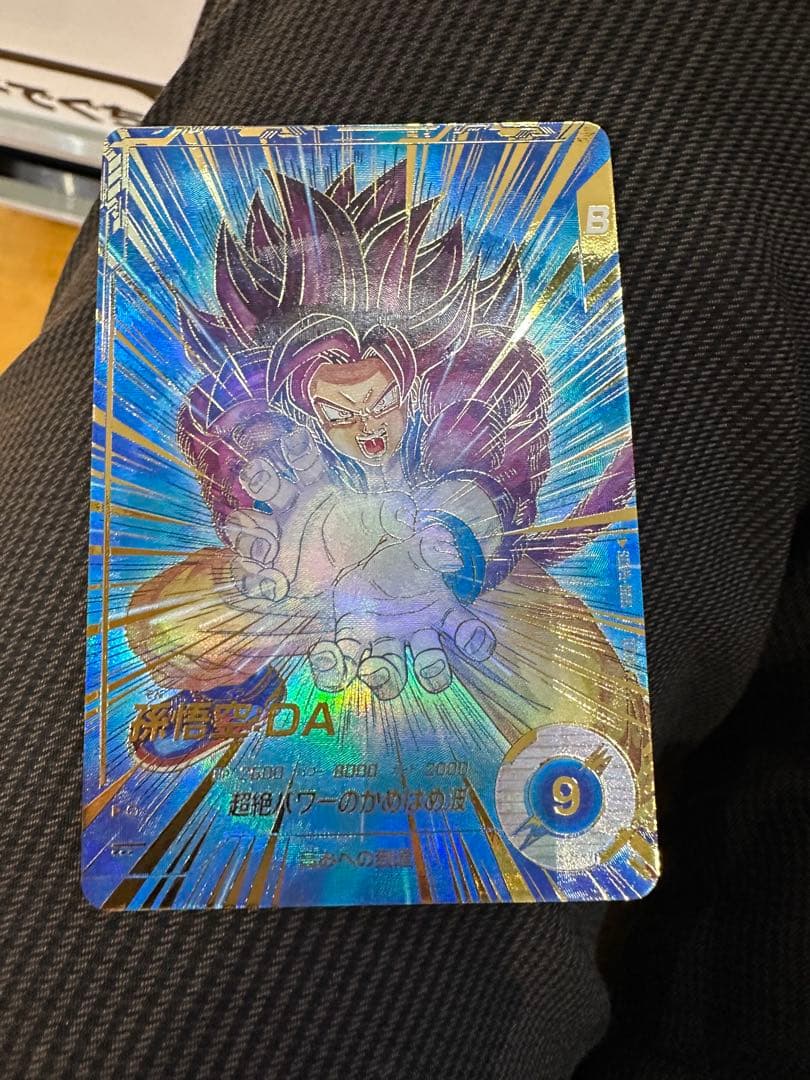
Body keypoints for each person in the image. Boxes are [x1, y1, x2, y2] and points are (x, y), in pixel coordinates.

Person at [0, 1, 807, 1077]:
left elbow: (477, 541)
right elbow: (193, 616)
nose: (365, 423)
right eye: (337, 413)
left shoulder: (467, 458)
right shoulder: (272, 506)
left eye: (378, 402)